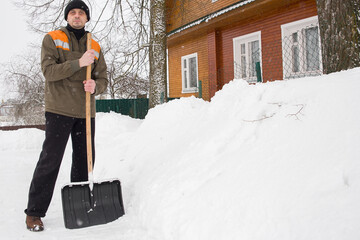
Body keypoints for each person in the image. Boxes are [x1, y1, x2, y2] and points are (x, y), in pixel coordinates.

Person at [24, 0, 108, 231]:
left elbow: (103, 79)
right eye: (73, 12)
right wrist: (78, 63)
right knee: (50, 161)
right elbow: (49, 72)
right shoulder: (52, 38)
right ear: (67, 17)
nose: (77, 16)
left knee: (84, 161)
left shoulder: (95, 45)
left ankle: (79, 208)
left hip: (85, 112)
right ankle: (34, 212)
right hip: (59, 110)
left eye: (81, 13)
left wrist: (96, 86)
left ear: (87, 18)